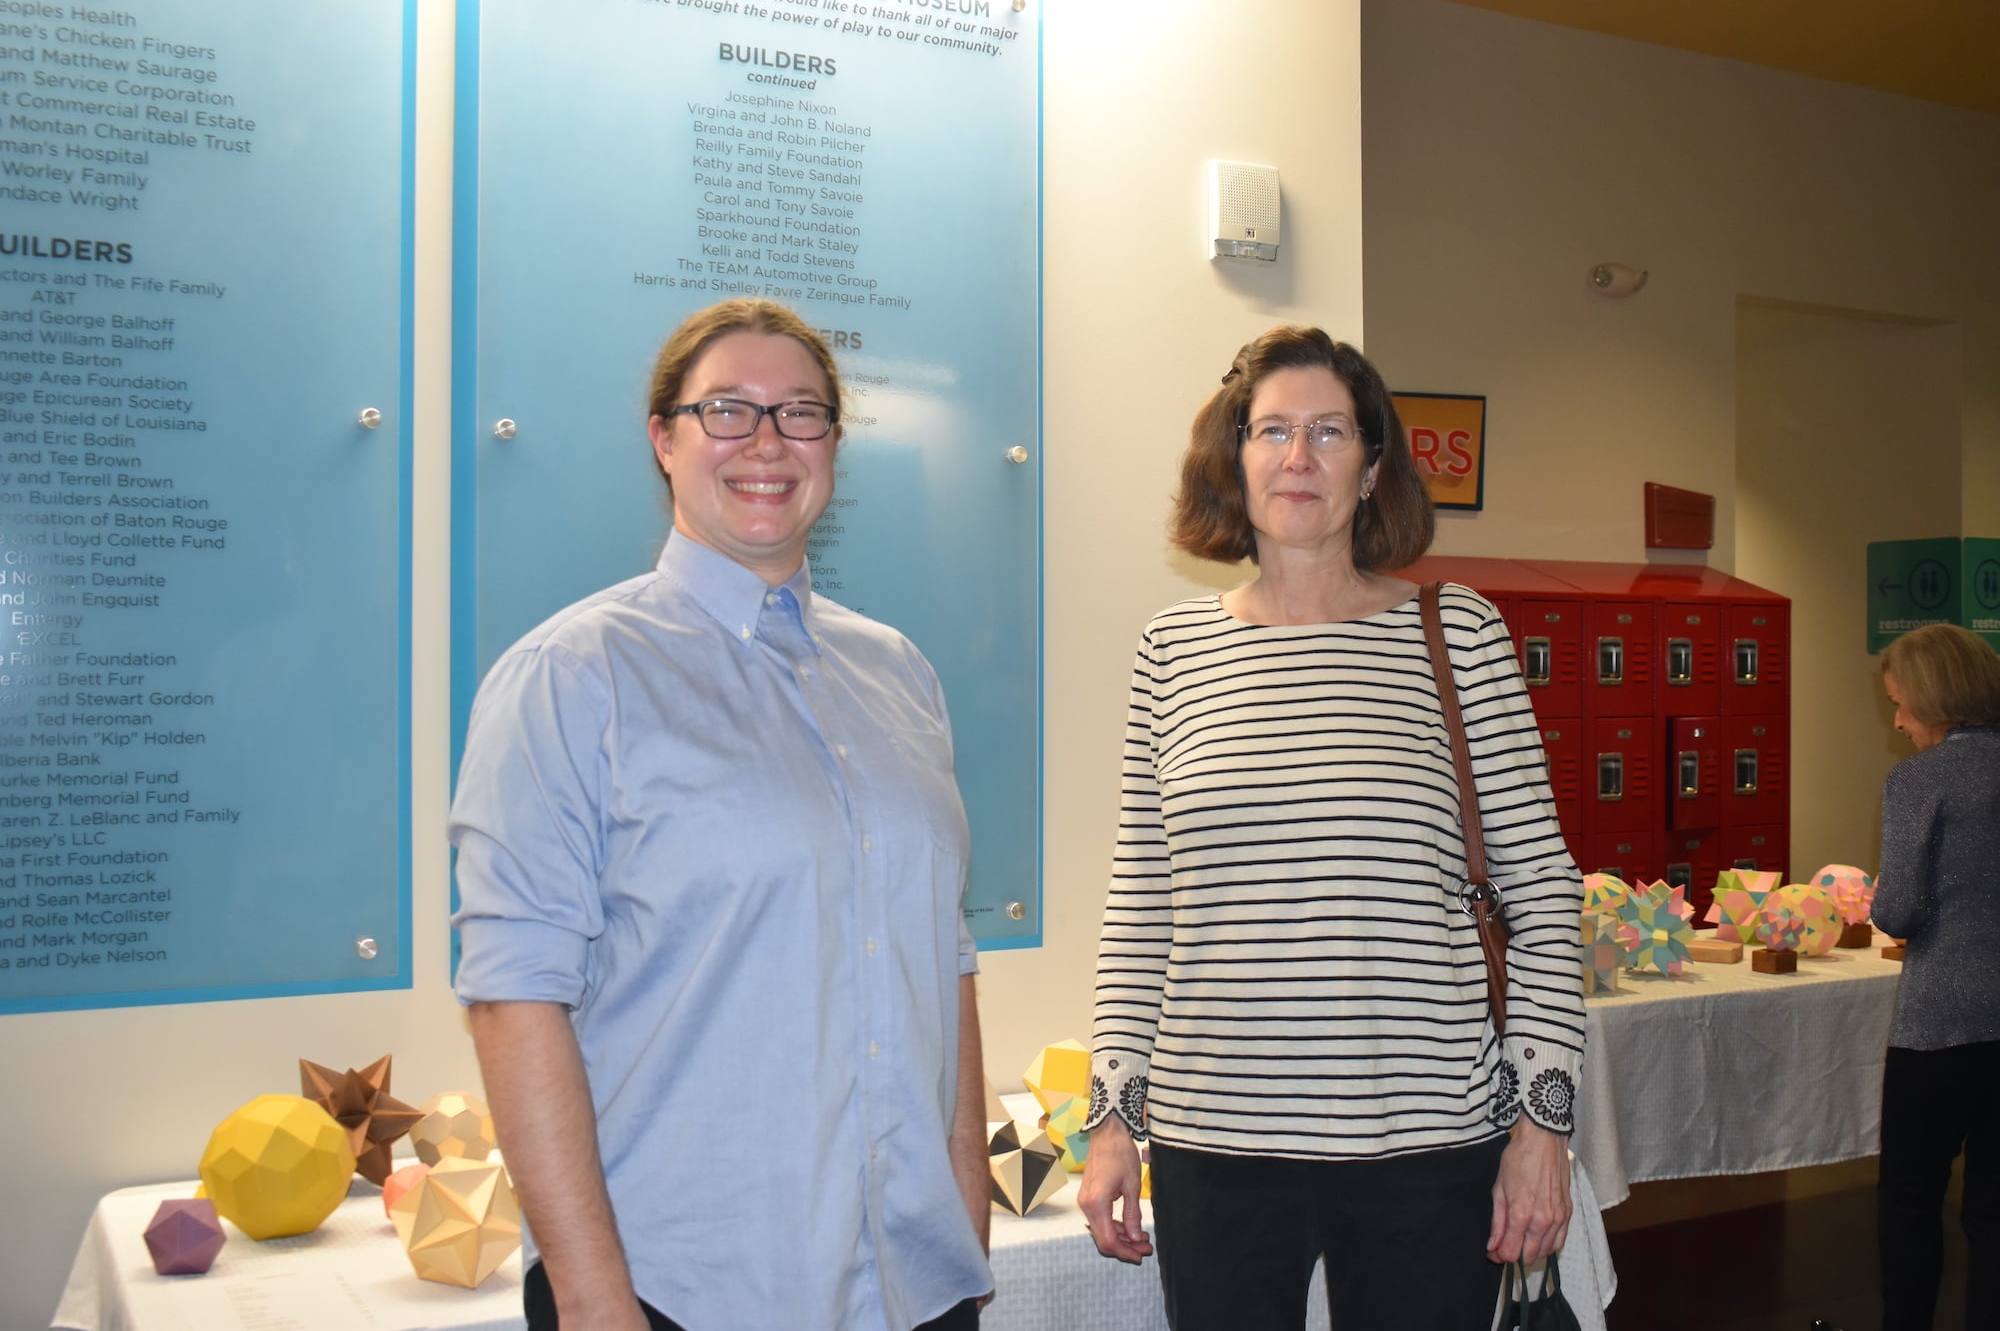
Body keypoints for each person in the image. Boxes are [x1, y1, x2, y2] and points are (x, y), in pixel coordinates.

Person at [449, 299, 993, 1331]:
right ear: (663, 439)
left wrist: (964, 1219)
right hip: (680, 1289)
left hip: (913, 1283)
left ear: (833, 442)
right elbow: (514, 999)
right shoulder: (572, 675)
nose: (767, 442)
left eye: (800, 412)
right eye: (727, 410)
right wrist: (593, 1300)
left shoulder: (899, 673)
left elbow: (944, 958)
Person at [1076, 325, 1586, 1329]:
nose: (1297, 456)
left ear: (1371, 467)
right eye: (1271, 430)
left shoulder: (1457, 633)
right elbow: (1141, 908)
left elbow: (1541, 896)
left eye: (1328, 431)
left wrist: (1543, 1127)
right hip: (1215, 1141)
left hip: (1426, 1144)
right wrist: (1109, 1122)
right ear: (1234, 460)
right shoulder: (1171, 652)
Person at [1875, 623, 2000, 1331]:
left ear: (1934, 698)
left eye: (1900, 703)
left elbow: (1898, 910)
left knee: (1911, 1201)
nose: (1896, 722)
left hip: (1939, 1027)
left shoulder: (1920, 779)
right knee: (1993, 1212)